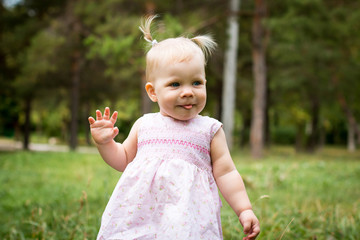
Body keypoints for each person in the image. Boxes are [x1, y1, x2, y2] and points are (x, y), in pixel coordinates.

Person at [88, 15, 260, 240]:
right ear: (152, 92)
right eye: (175, 84)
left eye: (196, 82)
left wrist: (244, 209)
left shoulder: (210, 129)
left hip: (188, 218)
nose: (188, 91)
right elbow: (123, 159)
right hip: (139, 216)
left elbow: (226, 172)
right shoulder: (145, 124)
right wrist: (105, 143)